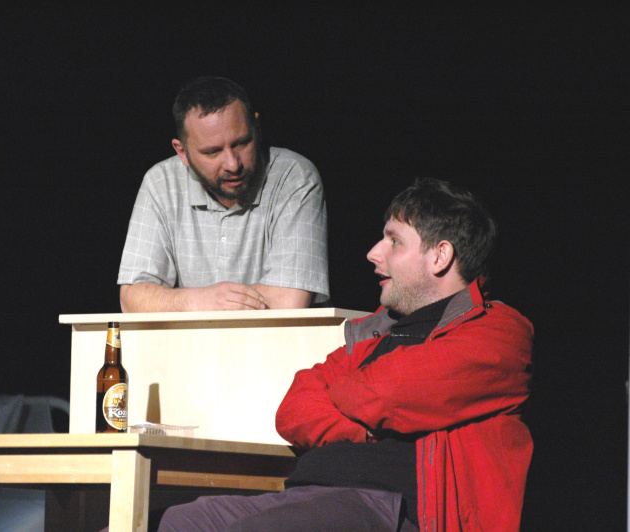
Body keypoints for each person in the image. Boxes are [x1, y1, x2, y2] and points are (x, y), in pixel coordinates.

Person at [156, 178, 534, 531]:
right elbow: (294, 408)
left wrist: (342, 392)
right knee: (179, 520)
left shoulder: (497, 329)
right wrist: (363, 428)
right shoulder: (372, 332)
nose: (373, 253)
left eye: (394, 241)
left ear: (440, 256)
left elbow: (388, 392)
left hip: (389, 506)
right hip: (309, 494)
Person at [117, 76, 329, 312]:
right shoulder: (160, 183)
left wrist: (194, 304)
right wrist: (200, 300)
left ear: (257, 128)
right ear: (182, 152)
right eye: (212, 152)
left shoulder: (294, 176)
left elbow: (289, 300)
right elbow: (132, 299)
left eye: (242, 143)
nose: (232, 164)